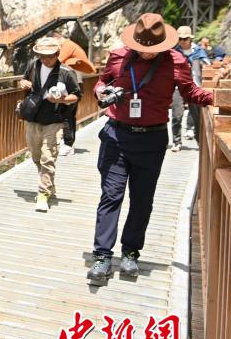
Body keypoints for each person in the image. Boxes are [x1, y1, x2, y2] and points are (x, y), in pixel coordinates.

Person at [87, 14, 213, 281]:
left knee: (142, 199)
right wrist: (99, 90)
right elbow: (102, 81)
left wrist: (216, 97)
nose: (147, 53)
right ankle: (102, 256)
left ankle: (131, 253)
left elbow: (190, 92)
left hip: (152, 139)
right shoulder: (118, 56)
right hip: (116, 136)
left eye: (153, 49)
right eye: (142, 48)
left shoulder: (176, 61)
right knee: (111, 195)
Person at [19, 37, 82, 212]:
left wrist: (61, 100)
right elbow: (23, 80)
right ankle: (49, 184)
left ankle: (43, 194)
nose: (46, 59)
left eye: (50, 56)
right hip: (32, 118)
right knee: (36, 156)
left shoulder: (66, 72)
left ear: (57, 54)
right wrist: (23, 83)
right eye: (42, 56)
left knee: (48, 157)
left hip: (54, 120)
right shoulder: (33, 65)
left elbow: (77, 95)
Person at [52, 31, 96, 156]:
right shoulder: (70, 46)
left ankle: (68, 145)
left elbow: (57, 62)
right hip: (70, 84)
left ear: (57, 39)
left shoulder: (68, 45)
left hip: (73, 85)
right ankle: (66, 142)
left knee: (67, 115)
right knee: (65, 115)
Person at [171, 26, 210, 151]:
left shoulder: (198, 51)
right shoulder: (174, 52)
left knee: (197, 116)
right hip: (178, 87)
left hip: (194, 87)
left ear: (190, 38)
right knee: (177, 115)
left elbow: (208, 66)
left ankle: (200, 142)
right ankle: (176, 142)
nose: (182, 41)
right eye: (180, 39)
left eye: (185, 38)